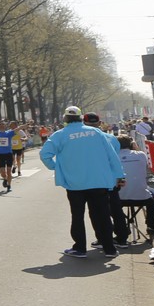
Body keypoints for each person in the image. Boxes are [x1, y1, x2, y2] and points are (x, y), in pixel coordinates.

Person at [39, 106, 125, 260]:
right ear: (80, 117)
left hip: (75, 183)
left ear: (65, 118)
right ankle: (109, 248)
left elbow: (45, 154)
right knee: (103, 215)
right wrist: (119, 175)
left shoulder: (60, 135)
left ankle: (80, 248)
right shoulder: (97, 133)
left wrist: (57, 167)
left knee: (77, 216)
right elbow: (112, 155)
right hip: (99, 181)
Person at [111, 135, 154, 240]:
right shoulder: (141, 155)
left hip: (119, 198)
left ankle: (121, 226)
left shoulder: (112, 158)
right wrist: (135, 147)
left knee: (107, 203)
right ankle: (151, 225)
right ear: (131, 145)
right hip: (142, 197)